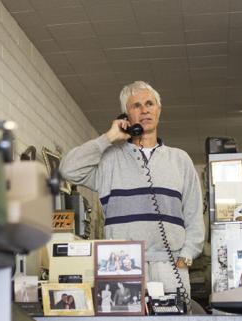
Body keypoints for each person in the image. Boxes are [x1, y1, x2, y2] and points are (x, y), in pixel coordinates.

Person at [59, 81, 204, 300]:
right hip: (119, 262)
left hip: (170, 265)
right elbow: (68, 169)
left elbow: (193, 213)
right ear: (126, 116)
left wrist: (187, 255)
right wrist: (108, 138)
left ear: (158, 110)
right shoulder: (109, 160)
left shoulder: (180, 159)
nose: (144, 110)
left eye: (149, 104)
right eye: (136, 106)